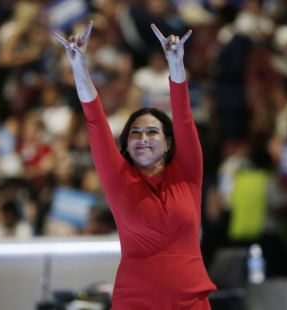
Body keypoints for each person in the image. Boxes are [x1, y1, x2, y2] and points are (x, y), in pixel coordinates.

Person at [54, 21, 216, 309]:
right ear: (126, 145)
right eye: (134, 133)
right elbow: (94, 120)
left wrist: (175, 65)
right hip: (136, 299)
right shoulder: (118, 179)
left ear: (168, 143)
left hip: (190, 299)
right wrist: (79, 67)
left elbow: (183, 116)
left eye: (152, 131)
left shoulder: (188, 173)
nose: (142, 138)